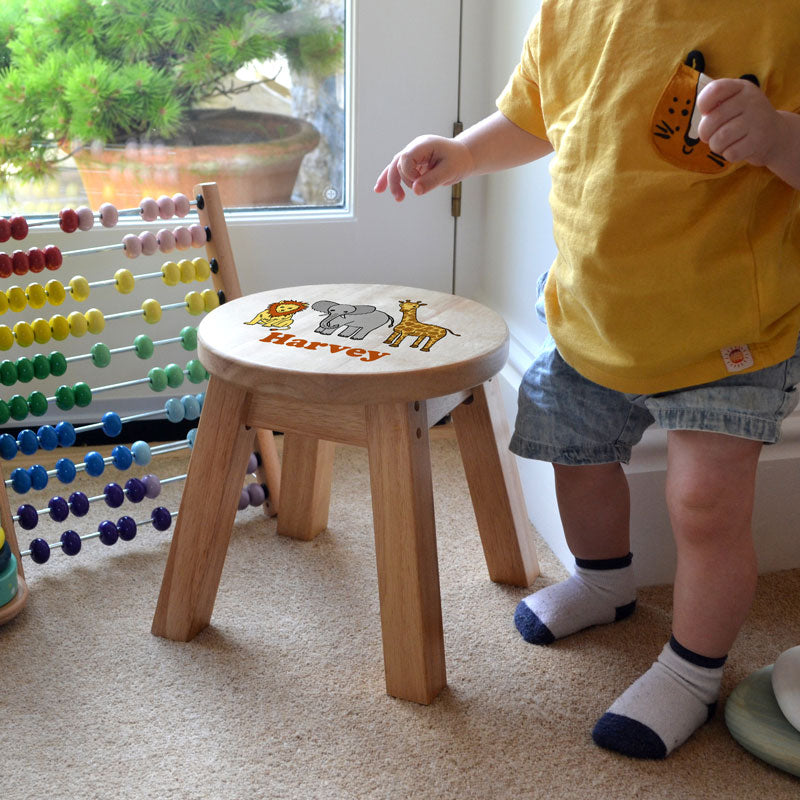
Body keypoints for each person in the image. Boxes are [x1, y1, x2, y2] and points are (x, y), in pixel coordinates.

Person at [374, 1, 800, 760]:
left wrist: (778, 138)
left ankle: (694, 671)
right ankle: (604, 583)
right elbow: (537, 113)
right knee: (574, 446)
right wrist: (463, 153)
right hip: (593, 311)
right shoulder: (574, 9)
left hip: (727, 330)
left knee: (705, 505)